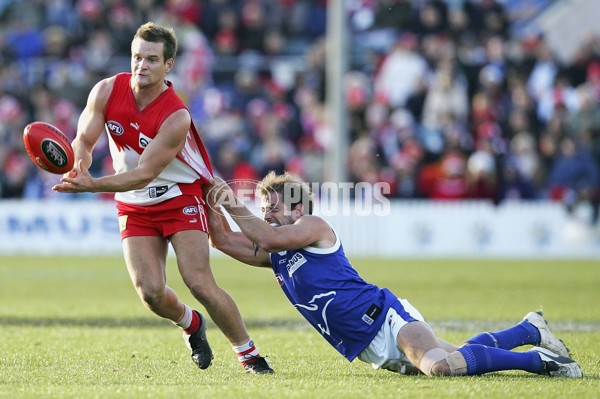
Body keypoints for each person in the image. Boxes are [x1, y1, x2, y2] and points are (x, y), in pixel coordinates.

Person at [204, 171, 583, 378]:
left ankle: (540, 362)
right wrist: (204, 193)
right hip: (372, 350)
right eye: (264, 207)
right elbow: (221, 240)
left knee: (439, 366)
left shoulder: (313, 226)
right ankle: (529, 329)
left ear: (298, 207)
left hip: (385, 318)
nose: (267, 213)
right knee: (460, 354)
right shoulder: (278, 254)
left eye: (273, 207)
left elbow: (266, 236)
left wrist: (231, 199)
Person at [52, 22, 273, 374]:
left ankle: (249, 354)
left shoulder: (176, 115)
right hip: (134, 202)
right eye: (137, 57)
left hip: (179, 195)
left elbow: (145, 172)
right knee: (151, 293)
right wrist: (79, 162)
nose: (142, 65)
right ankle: (191, 324)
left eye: (152, 60)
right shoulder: (107, 90)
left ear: (168, 65)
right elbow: (84, 138)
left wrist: (90, 186)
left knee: (199, 281)